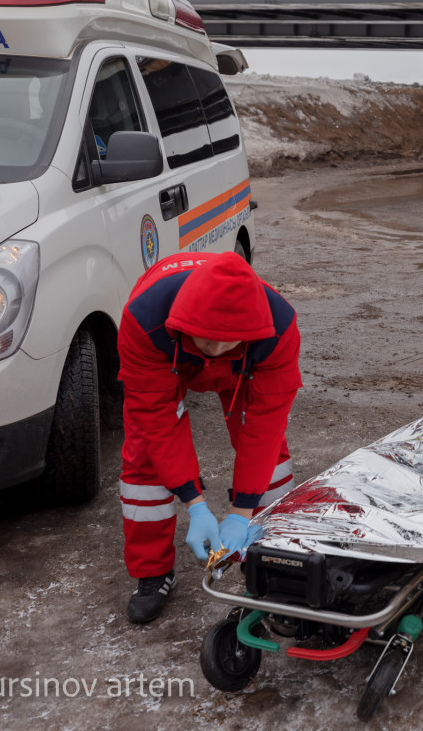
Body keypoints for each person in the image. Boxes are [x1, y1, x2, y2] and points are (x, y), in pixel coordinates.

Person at [117, 251, 302, 623]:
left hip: (244, 361)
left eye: (226, 343)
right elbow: (157, 417)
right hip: (169, 355)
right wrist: (194, 502)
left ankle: (279, 551)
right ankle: (152, 572)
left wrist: (242, 511)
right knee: (144, 456)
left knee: (270, 452)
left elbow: (265, 424)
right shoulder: (143, 322)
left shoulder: (278, 329)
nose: (216, 351)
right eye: (210, 341)